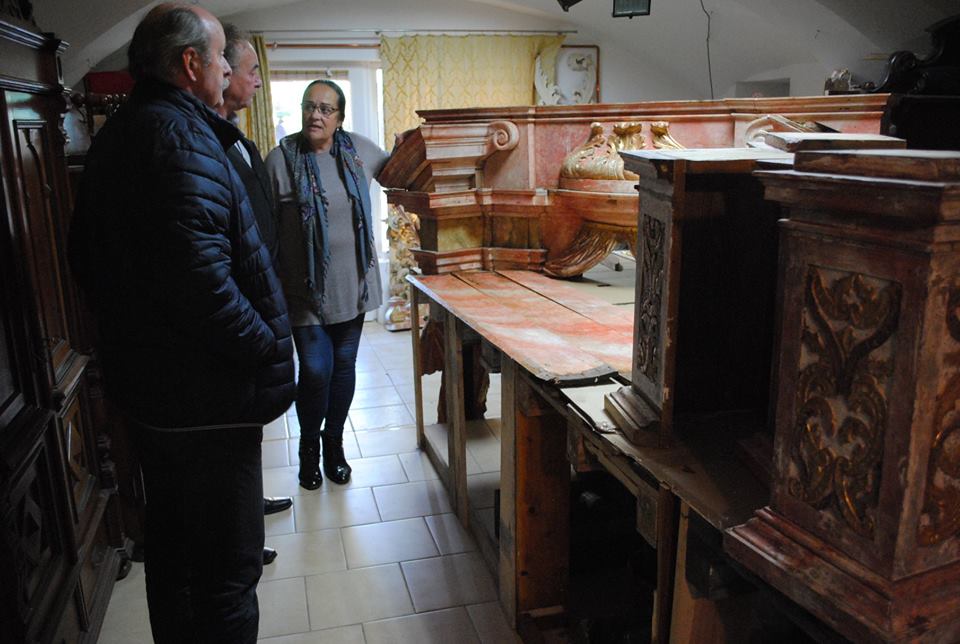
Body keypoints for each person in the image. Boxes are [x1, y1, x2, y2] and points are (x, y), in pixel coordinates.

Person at [68, 4, 294, 642]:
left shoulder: (130, 129)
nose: (227, 67)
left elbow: (88, 259)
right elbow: (200, 283)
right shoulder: (178, 137)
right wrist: (263, 344)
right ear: (190, 64)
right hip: (205, 404)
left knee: (177, 562)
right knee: (226, 571)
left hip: (164, 395)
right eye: (221, 55)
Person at [265, 80, 389, 489]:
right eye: (308, 107)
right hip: (304, 290)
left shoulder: (360, 151)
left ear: (339, 117)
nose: (315, 115)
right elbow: (264, 226)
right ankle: (308, 449)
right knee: (317, 371)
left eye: (325, 109)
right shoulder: (281, 160)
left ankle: (333, 445)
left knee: (344, 369)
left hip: (351, 287)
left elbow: (404, 170)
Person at [217, 22, 293, 566]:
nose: (257, 83)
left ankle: (249, 507)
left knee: (245, 432)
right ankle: (239, 535)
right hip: (236, 314)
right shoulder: (208, 142)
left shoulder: (239, 138)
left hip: (255, 300)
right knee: (230, 429)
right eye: (251, 71)